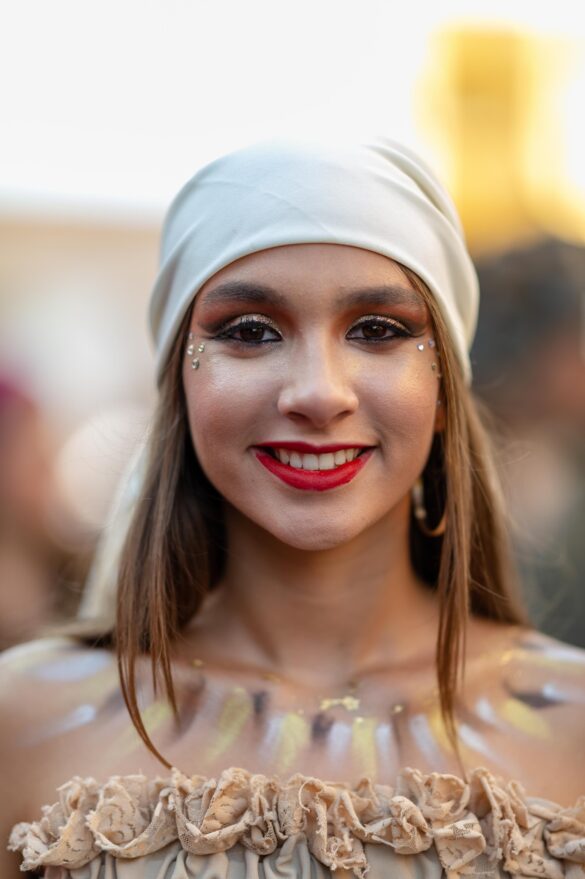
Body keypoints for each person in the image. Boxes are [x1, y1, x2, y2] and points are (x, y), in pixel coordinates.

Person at [2, 137, 584, 879]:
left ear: (443, 389)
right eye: (250, 331)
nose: (317, 392)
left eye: (377, 330)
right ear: (182, 382)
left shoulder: (575, 727)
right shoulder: (24, 718)